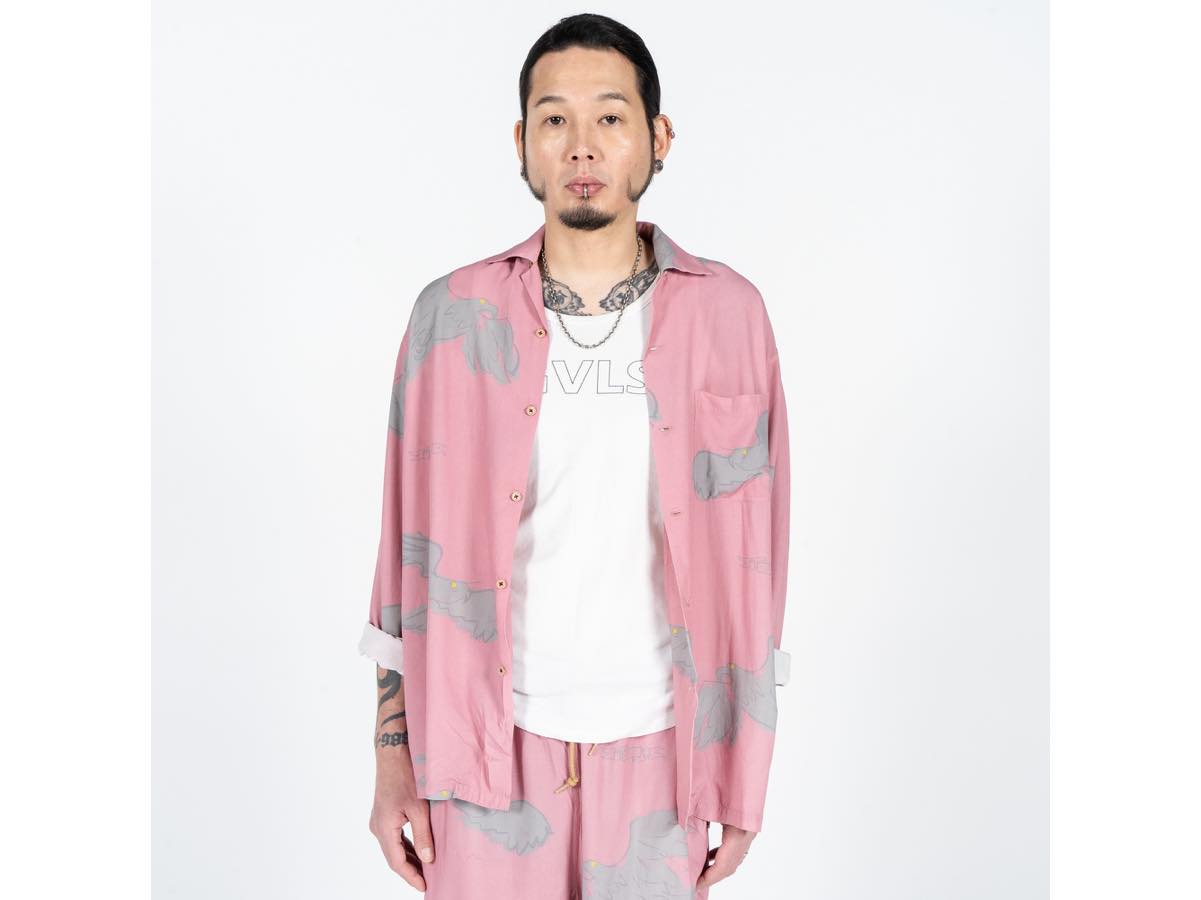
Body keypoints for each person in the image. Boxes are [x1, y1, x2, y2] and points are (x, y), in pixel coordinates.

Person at [359, 13, 793, 898]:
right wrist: (391, 756)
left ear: (658, 137)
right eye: (554, 118)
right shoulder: (450, 317)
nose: (581, 144)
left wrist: (740, 769)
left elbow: (762, 552)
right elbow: (402, 554)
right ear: (522, 142)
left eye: (610, 116)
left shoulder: (730, 316)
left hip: (666, 755)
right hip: (479, 753)